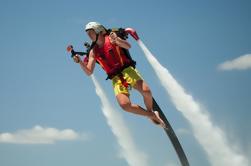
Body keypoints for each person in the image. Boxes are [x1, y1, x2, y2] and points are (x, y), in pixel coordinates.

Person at [73, 21, 165, 127]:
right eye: (87, 33)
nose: (89, 35)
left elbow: (128, 46)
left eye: (91, 32)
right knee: (125, 105)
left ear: (98, 30)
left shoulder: (111, 38)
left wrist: (117, 41)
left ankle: (150, 112)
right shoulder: (93, 51)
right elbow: (89, 72)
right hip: (116, 78)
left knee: (146, 92)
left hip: (127, 70)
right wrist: (80, 62)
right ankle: (151, 115)